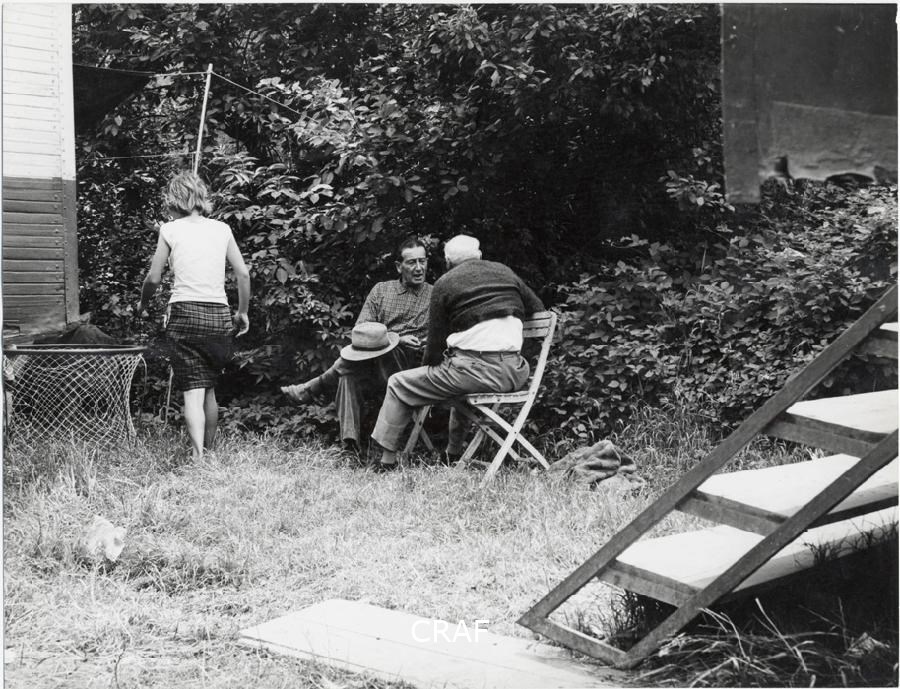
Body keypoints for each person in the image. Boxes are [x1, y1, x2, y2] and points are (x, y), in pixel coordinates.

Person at [370, 234, 544, 471]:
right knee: (461, 385)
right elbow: (538, 309)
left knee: (398, 383)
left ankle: (386, 462)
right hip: (515, 373)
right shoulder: (506, 273)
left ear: (448, 262)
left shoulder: (445, 283)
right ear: (479, 256)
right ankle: (451, 456)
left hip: (471, 372)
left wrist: (429, 368)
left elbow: (435, 345)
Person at [137, 171, 251, 459]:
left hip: (184, 314)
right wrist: (242, 312)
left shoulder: (169, 230)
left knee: (192, 390)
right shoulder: (222, 229)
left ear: (175, 200)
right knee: (208, 387)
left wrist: (143, 304)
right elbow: (243, 273)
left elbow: (153, 278)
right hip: (218, 315)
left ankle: (198, 458)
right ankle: (209, 454)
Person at [280, 236, 432, 453]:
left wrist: (403, 343)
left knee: (389, 350)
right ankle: (350, 446)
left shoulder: (434, 295)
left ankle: (314, 386)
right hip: (370, 365)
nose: (418, 268)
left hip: (407, 369)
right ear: (399, 266)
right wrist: (395, 337)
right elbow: (361, 330)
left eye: (422, 261)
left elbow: (438, 337)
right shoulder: (381, 290)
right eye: (412, 262)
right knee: (348, 378)